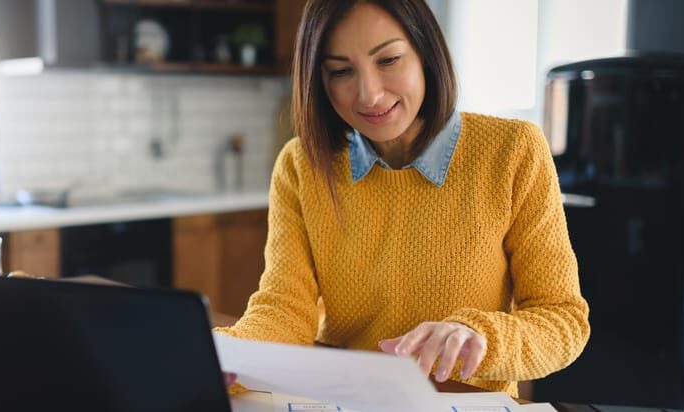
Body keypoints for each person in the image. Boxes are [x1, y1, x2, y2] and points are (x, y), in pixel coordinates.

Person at [214, 0, 590, 396]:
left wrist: (481, 336)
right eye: (340, 71)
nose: (369, 95)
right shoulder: (301, 166)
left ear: (426, 53)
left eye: (388, 60)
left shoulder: (514, 151)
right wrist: (221, 355)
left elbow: (563, 320)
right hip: (342, 399)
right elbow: (284, 310)